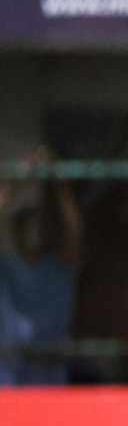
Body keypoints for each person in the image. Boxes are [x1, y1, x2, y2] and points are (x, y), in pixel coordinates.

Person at [0, 162, 83, 384]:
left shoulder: (57, 269)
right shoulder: (7, 268)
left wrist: (59, 182)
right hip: (12, 372)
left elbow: (74, 232)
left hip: (50, 372)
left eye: (35, 226)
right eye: (23, 227)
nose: (30, 234)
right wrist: (22, 175)